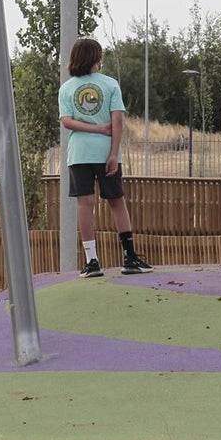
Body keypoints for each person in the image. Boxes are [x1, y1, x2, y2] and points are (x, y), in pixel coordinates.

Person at [58, 37, 153, 278]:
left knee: (84, 204)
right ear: (96, 58)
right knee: (116, 201)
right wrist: (112, 151)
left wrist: (91, 128)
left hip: (79, 153)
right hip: (106, 151)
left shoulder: (67, 88)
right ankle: (130, 257)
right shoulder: (110, 84)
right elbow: (118, 120)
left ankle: (92, 261)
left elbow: (67, 121)